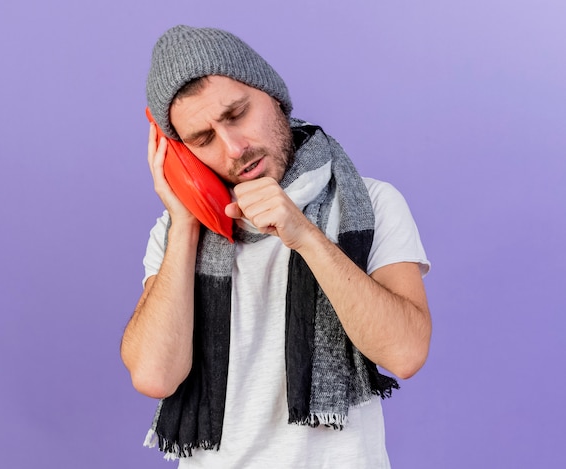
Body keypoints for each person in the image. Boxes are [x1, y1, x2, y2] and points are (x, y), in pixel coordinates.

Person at [121, 25, 432, 468]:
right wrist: (187, 224)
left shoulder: (373, 202)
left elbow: (405, 354)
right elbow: (155, 376)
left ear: (274, 96)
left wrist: (304, 235)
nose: (234, 148)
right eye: (203, 139)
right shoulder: (173, 236)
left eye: (236, 114)